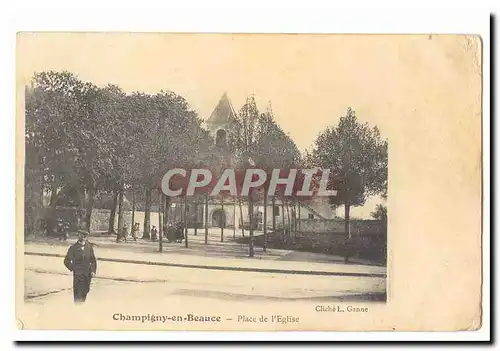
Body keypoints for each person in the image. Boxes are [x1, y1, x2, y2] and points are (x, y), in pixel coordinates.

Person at [64, 230, 97, 304]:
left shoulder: (89, 247)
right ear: (79, 237)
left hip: (87, 275)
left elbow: (93, 261)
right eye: (82, 236)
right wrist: (73, 268)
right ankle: (78, 310)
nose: (84, 238)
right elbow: (66, 261)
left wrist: (93, 271)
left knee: (85, 292)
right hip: (78, 275)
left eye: (85, 236)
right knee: (78, 295)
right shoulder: (73, 248)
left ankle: (81, 308)